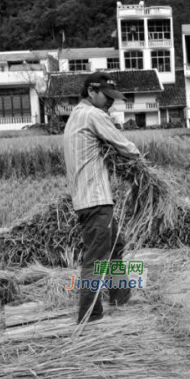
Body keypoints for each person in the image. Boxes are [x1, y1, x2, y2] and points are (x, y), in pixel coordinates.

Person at [63, 71, 141, 323]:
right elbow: (125, 146)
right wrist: (141, 162)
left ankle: (120, 296)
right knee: (96, 259)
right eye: (106, 96)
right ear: (91, 92)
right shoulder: (92, 114)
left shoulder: (76, 115)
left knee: (115, 245)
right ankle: (90, 315)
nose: (110, 102)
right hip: (96, 200)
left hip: (89, 200)